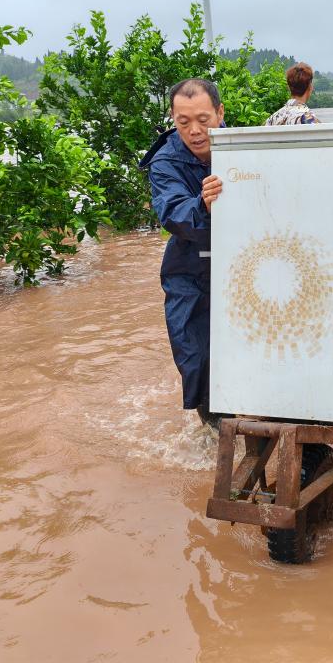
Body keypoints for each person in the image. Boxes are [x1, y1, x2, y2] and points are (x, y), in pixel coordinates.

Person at [139, 78, 225, 426]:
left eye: (203, 120)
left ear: (220, 113)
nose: (194, 131)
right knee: (196, 358)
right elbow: (173, 213)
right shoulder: (164, 161)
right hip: (190, 268)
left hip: (247, 260)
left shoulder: (248, 148)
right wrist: (203, 205)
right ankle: (217, 433)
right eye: (183, 121)